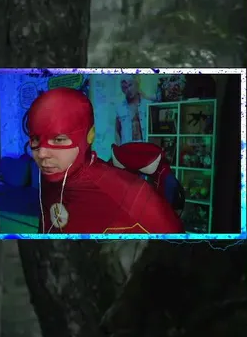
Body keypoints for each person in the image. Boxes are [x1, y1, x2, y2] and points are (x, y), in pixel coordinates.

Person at [27, 88, 184, 234]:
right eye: (35, 139)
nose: (41, 153)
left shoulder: (133, 198)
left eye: (59, 139)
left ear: (89, 136)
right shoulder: (49, 176)